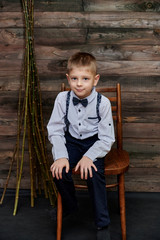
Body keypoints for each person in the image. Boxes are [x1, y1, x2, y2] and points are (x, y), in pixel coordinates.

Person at [47, 52, 115, 240]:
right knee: (58, 171)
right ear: (68, 78)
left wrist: (88, 157)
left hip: (95, 143)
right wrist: (61, 155)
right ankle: (70, 206)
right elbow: (55, 130)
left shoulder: (103, 103)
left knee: (93, 174)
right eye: (75, 78)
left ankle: (102, 222)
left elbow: (107, 138)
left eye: (85, 78)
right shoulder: (62, 99)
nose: (79, 83)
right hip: (71, 141)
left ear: (95, 80)